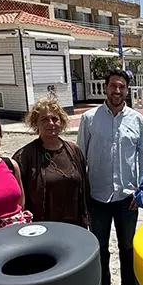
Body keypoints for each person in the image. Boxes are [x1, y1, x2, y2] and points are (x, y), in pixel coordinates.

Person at [78, 69, 143, 285]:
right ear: (105, 87)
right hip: (97, 196)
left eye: (121, 86)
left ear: (127, 90)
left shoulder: (137, 120)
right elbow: (81, 159)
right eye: (112, 86)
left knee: (128, 246)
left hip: (127, 197)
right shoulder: (89, 119)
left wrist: (141, 192)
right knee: (99, 246)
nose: (117, 90)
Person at [13, 97, 90, 228]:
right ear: (35, 123)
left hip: (74, 226)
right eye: (44, 119)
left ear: (62, 122)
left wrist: (86, 218)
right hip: (42, 227)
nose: (51, 123)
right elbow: (18, 197)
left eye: (55, 119)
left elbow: (85, 187)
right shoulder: (24, 156)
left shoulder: (74, 150)